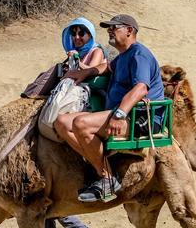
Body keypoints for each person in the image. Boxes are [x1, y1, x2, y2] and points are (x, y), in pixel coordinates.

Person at [56, 14, 165, 203]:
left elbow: (141, 88)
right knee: (61, 121)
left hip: (139, 118)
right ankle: (97, 163)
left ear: (129, 30)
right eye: (109, 29)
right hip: (122, 112)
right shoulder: (124, 56)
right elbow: (107, 67)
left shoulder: (139, 55)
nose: (110, 31)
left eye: (114, 28)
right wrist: (85, 72)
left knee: (81, 124)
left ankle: (106, 179)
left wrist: (120, 114)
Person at [44, 17, 106, 228]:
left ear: (91, 36)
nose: (78, 37)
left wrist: (75, 60)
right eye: (75, 33)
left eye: (83, 33)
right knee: (42, 199)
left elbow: (84, 74)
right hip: (71, 110)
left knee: (49, 199)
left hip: (84, 112)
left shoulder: (96, 52)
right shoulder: (74, 55)